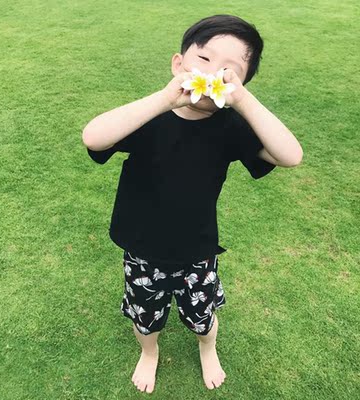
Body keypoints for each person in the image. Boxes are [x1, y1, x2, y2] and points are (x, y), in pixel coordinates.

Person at [82, 14, 303, 394]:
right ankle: (149, 352)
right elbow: (93, 137)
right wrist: (164, 99)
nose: (213, 73)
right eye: (204, 59)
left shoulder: (230, 128)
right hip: (141, 247)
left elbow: (291, 155)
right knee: (145, 318)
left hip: (197, 251)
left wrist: (243, 101)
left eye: (229, 72)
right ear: (178, 63)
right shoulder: (149, 117)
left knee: (203, 316)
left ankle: (207, 347)